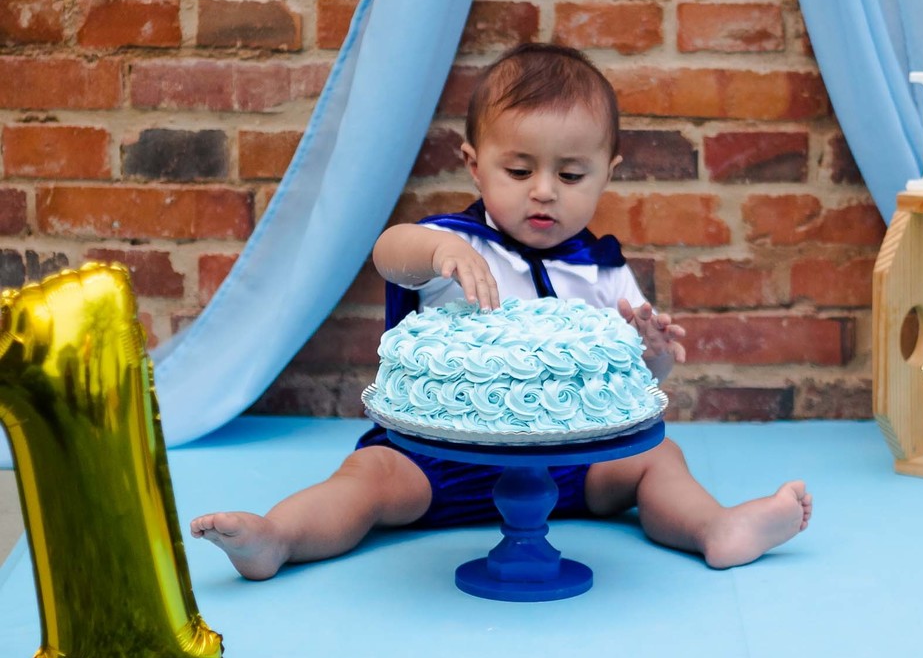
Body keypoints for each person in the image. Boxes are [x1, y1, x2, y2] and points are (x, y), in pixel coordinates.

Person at [190, 43, 812, 580]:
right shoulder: (452, 244)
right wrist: (438, 249)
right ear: (474, 163)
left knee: (659, 459)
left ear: (607, 175)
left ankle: (717, 529)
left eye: (571, 174)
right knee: (366, 479)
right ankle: (279, 538)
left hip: (573, 463)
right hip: (436, 461)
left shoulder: (602, 269)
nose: (543, 190)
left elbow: (639, 383)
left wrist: (651, 353)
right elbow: (388, 253)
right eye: (518, 169)